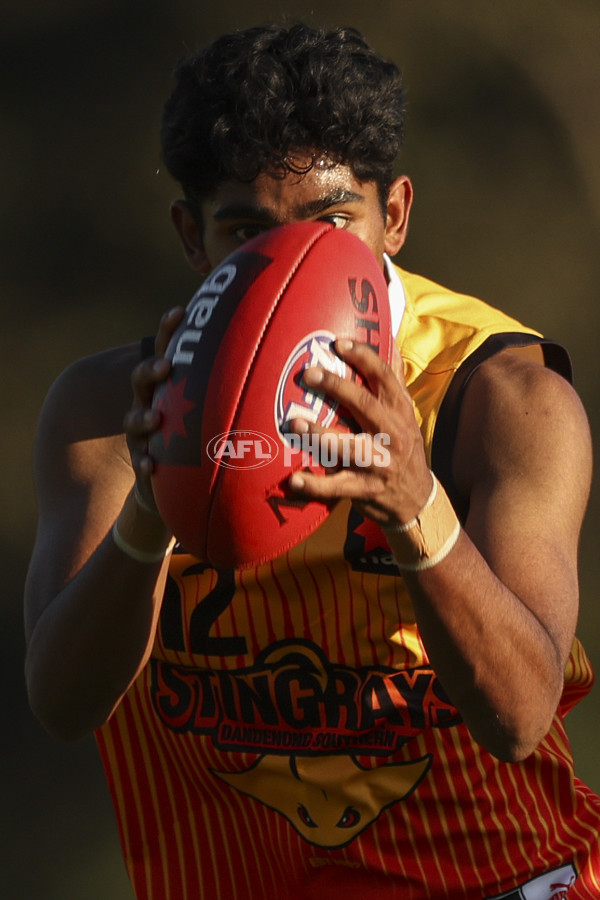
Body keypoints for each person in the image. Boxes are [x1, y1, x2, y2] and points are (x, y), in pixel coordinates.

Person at [24, 22, 600, 900]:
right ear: (191, 235)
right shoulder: (113, 413)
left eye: (333, 221)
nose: (292, 260)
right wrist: (152, 507)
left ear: (395, 215)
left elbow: (520, 715)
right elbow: (62, 703)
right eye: (248, 229)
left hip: (498, 881)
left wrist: (417, 504)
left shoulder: (497, 399)